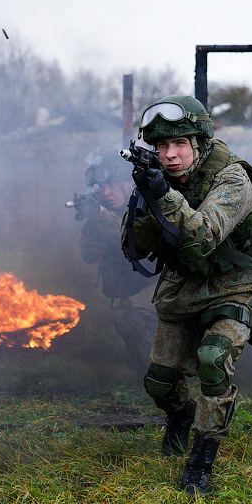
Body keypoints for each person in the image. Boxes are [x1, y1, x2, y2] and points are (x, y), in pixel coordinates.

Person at [121, 95, 252, 496]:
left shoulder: (233, 179)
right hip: (181, 288)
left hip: (234, 285)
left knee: (213, 361)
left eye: (180, 145)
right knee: (159, 384)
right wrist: (144, 199)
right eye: (161, 147)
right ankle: (182, 415)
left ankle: (202, 458)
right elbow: (135, 247)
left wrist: (164, 195)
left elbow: (204, 234)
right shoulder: (160, 175)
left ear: (200, 144)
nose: (170, 156)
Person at [73, 155, 155, 378]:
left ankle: (164, 379)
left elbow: (137, 242)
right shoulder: (104, 211)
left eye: (111, 185)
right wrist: (92, 218)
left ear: (129, 183)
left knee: (130, 319)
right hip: (133, 291)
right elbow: (88, 255)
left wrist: (101, 215)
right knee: (127, 321)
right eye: (102, 187)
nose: (106, 192)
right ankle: (153, 378)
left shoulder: (151, 203)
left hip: (166, 287)